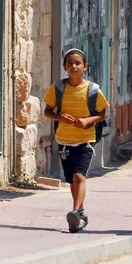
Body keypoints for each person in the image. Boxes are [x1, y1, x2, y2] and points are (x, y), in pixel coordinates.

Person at [43, 48, 110, 233]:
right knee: (72, 181)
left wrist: (88, 120)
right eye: (70, 63)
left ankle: (74, 212)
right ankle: (80, 213)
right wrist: (60, 118)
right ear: (65, 67)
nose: (74, 66)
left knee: (80, 176)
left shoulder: (92, 90)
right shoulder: (58, 88)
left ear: (85, 66)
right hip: (64, 141)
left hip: (85, 141)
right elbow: (48, 111)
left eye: (77, 63)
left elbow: (103, 113)